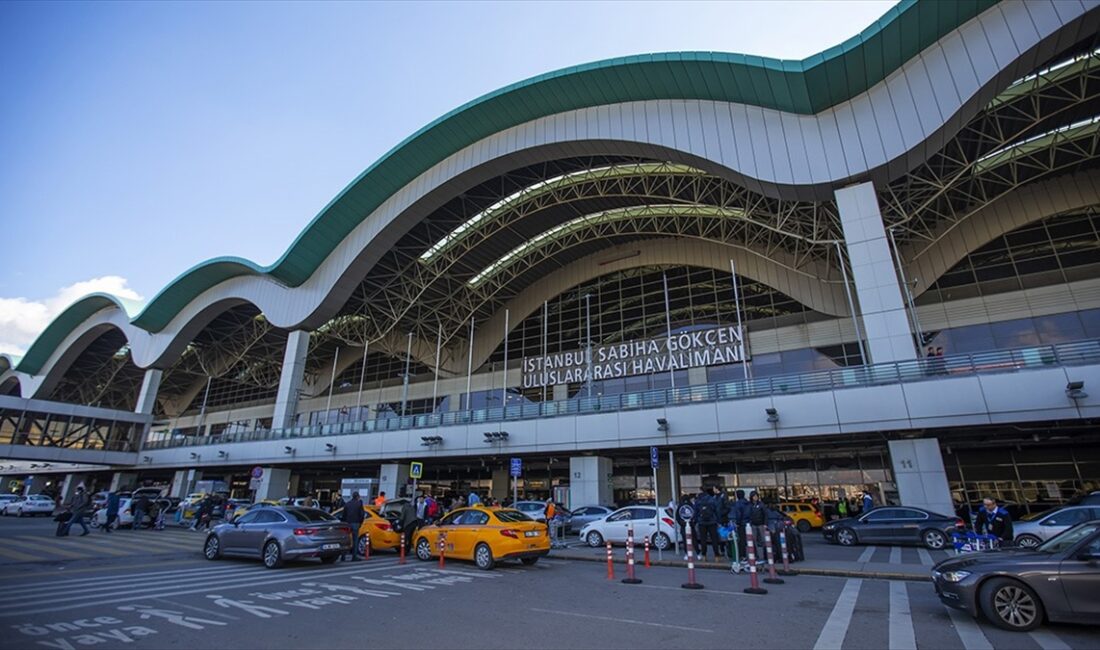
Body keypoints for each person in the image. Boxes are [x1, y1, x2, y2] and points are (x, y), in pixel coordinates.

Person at [694, 489, 721, 562]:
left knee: (703, 540)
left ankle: (704, 556)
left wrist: (696, 521)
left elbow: (695, 512)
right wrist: (718, 521)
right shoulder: (712, 499)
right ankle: (717, 556)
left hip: (701, 523)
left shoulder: (698, 501)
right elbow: (717, 511)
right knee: (714, 539)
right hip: (712, 522)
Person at [344, 491, 365, 560]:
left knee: (346, 540)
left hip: (348, 523)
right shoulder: (359, 504)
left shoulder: (347, 504)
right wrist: (360, 522)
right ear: (358, 497)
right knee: (355, 540)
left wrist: (345, 522)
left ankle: (343, 556)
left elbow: (344, 514)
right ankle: (354, 556)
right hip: (356, 523)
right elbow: (362, 514)